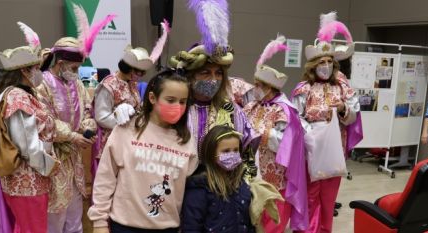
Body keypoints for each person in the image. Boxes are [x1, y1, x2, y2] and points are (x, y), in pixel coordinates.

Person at [88, 69, 198, 233]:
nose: (177, 106)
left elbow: (186, 187)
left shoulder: (186, 140)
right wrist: (99, 222)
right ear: (152, 98)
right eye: (170, 100)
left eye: (183, 102)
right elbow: (106, 178)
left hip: (168, 227)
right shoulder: (127, 129)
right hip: (125, 226)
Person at [36, 7, 115, 233]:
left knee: (75, 215)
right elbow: (45, 121)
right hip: (53, 159)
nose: (77, 72)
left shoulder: (76, 83)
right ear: (59, 63)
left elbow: (88, 111)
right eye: (74, 67)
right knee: (55, 217)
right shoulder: (42, 84)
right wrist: (73, 136)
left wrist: (88, 129)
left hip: (75, 160)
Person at [169, 0, 259, 177]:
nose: (213, 79)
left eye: (218, 73)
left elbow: (247, 151)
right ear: (191, 76)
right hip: (181, 188)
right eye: (205, 73)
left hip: (222, 188)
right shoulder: (178, 110)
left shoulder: (232, 110)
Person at [0, 22, 57, 233]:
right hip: (28, 181)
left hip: (25, 180)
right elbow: (28, 146)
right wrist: (49, 166)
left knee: (25, 228)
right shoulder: (18, 98)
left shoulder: (12, 94)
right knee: (33, 229)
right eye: (36, 68)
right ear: (25, 70)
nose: (40, 73)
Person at [291, 12, 361, 233]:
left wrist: (343, 109)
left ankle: (324, 229)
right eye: (321, 62)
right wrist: (311, 136)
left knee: (329, 197)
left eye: (330, 62)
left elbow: (353, 116)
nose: (326, 66)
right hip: (311, 148)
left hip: (334, 148)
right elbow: (296, 117)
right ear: (313, 65)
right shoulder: (304, 88)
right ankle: (309, 229)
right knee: (311, 195)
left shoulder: (341, 86)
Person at [243, 35, 307, 232]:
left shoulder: (283, 110)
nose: (255, 89)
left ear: (270, 88)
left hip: (275, 173)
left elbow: (284, 142)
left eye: (259, 85)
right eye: (255, 84)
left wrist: (257, 132)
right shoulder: (253, 105)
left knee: (273, 219)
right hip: (252, 169)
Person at [91, 20, 171, 179]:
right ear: (127, 67)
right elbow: (101, 117)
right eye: (137, 72)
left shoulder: (131, 83)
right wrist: (125, 122)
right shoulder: (108, 85)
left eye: (142, 73)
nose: (139, 76)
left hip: (131, 139)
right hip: (112, 139)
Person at [181, 125, 255, 233]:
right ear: (211, 154)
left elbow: (247, 223)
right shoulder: (200, 187)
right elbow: (191, 227)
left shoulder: (242, 185)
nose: (232, 155)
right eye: (225, 151)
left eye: (235, 150)